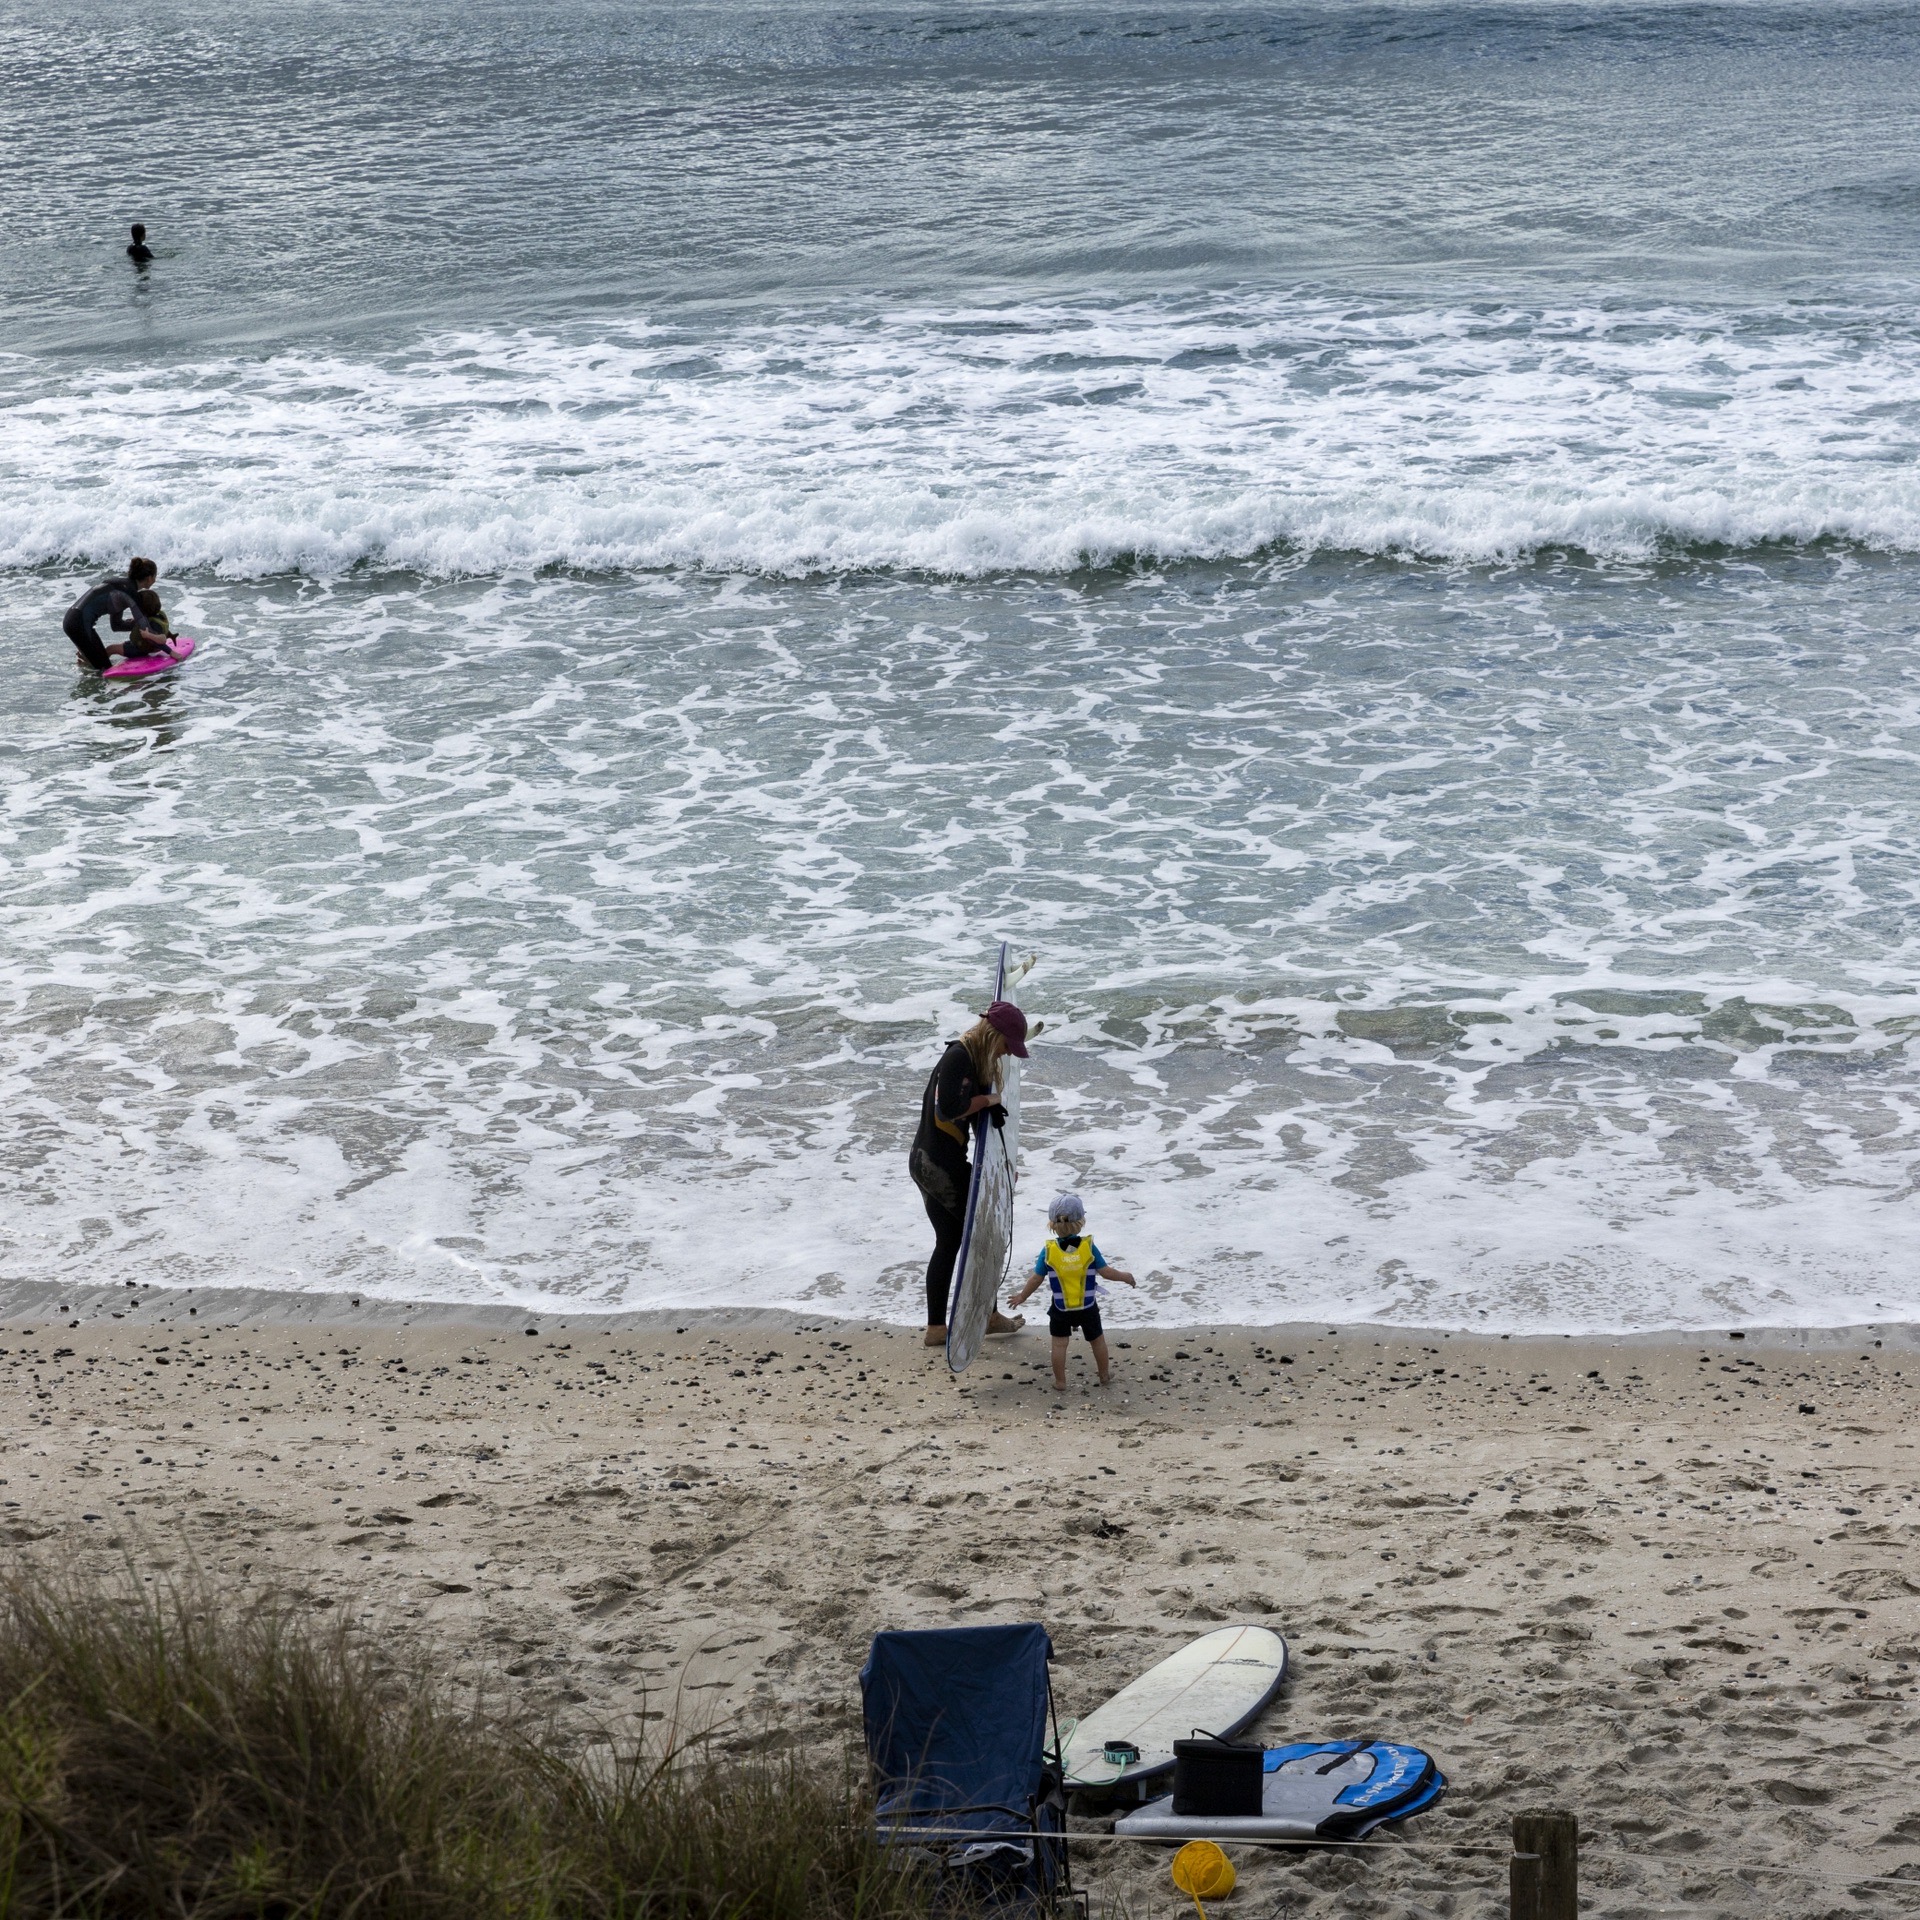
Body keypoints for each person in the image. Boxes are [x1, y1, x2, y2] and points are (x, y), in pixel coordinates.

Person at [909, 999, 1030, 1349]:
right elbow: (949, 1110)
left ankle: (936, 1328)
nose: (1007, 1054)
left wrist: (999, 1168)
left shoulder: (971, 1060)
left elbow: (977, 1130)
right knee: (982, 1237)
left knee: (948, 1242)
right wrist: (988, 1101)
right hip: (937, 1166)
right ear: (994, 1035)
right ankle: (987, 1315)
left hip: (927, 1162)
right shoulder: (958, 1057)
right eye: (1007, 1046)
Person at [1006, 1191, 1135, 1389]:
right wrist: (1125, 1277)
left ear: (1052, 1223)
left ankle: (1060, 1381)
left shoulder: (1048, 1251)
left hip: (1060, 1308)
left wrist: (1022, 1296)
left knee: (1059, 1345)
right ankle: (1104, 1375)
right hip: (1087, 1307)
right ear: (1081, 1221)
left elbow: (1036, 1278)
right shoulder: (1088, 1247)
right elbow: (1106, 1272)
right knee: (1097, 1342)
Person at [63, 559, 173, 671]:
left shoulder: (120, 584)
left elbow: (116, 625)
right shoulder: (130, 593)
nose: (155, 580)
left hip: (71, 620)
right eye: (155, 576)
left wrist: (135, 625)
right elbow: (146, 630)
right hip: (80, 624)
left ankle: (86, 668)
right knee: (104, 669)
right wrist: (169, 650)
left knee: (96, 664)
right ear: (149, 577)